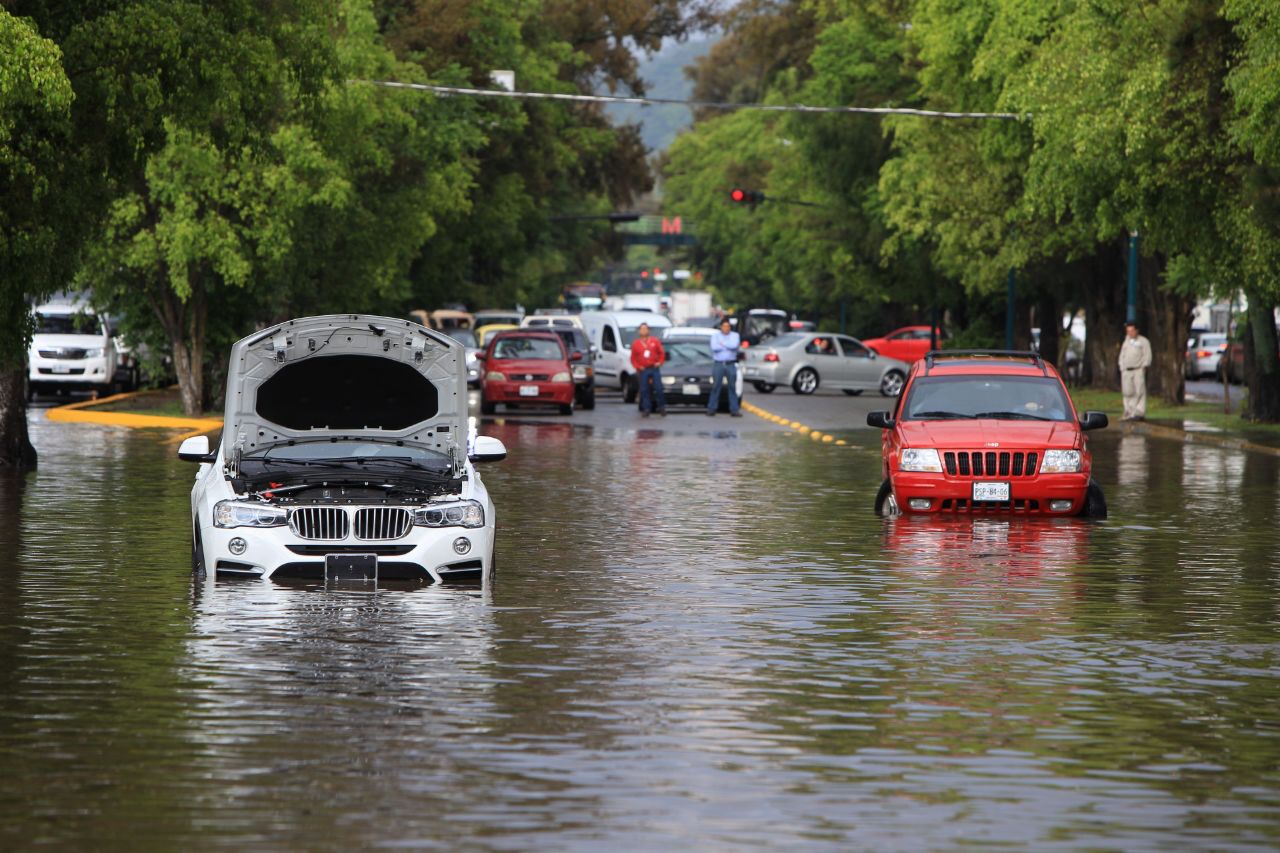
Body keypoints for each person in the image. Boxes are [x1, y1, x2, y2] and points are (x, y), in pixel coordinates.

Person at [707, 318, 742, 417]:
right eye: (724, 326)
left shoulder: (735, 335)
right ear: (721, 327)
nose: (726, 328)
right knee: (716, 386)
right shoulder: (715, 336)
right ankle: (712, 408)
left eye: (728, 326)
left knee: (732, 386)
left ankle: (734, 409)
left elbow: (734, 346)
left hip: (730, 363)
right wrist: (727, 346)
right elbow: (714, 348)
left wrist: (722, 344)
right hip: (719, 363)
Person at [1118, 321, 1152, 420]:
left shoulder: (1143, 341)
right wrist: (1122, 367)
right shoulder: (1126, 341)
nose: (1130, 333)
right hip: (1126, 370)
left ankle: (1139, 412)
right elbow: (1122, 355)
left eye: (1132, 331)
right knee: (1127, 392)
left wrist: (1143, 366)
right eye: (1128, 331)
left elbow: (1147, 355)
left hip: (1138, 369)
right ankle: (1128, 411)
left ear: (1136, 330)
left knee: (1139, 391)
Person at [630, 323, 666, 417]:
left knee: (658, 388)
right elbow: (633, 359)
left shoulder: (654, 341)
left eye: (645, 329)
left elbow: (662, 353)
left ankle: (661, 407)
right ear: (639, 331)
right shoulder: (636, 344)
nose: (644, 330)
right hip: (643, 369)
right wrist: (638, 367)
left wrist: (660, 362)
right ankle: (646, 409)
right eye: (642, 329)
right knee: (644, 390)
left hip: (654, 368)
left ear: (648, 330)